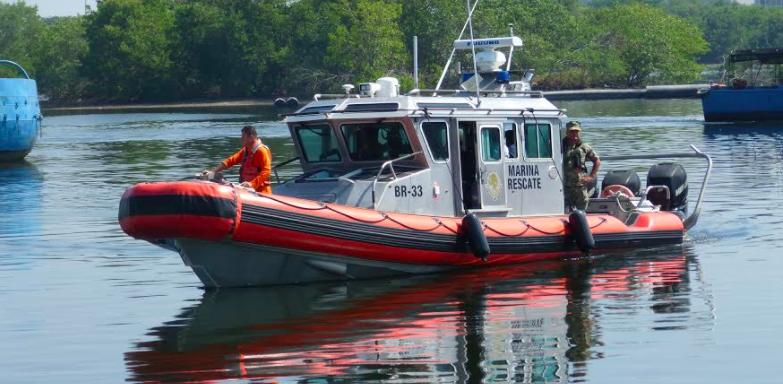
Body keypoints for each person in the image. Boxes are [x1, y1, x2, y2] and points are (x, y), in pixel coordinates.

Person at [207, 125, 272, 193]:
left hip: (261, 193)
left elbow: (266, 171)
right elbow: (230, 161)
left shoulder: (262, 151)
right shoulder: (245, 151)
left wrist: (251, 184)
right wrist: (213, 172)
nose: (241, 139)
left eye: (243, 137)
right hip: (247, 191)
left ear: (251, 137)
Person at [563, 121, 600, 211]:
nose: (575, 133)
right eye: (572, 131)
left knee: (581, 212)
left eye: (577, 131)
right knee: (564, 212)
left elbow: (597, 161)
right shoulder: (559, 146)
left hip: (580, 187)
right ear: (567, 132)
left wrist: (591, 177)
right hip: (564, 186)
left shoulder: (584, 147)